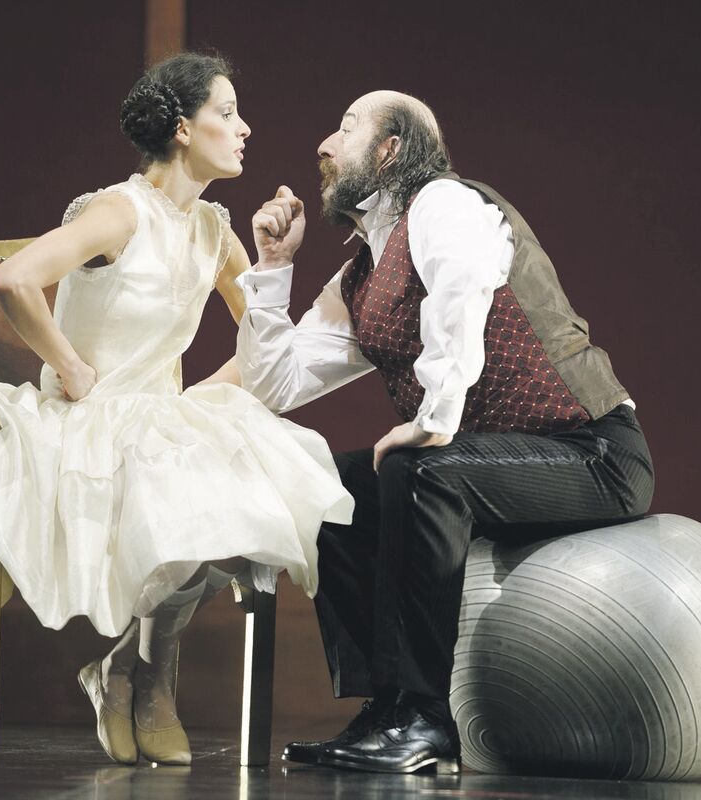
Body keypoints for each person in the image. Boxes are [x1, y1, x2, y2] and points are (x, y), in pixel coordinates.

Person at [0, 53, 353, 767]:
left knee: (252, 496)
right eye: (226, 112)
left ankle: (132, 667)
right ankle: (147, 677)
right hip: (87, 421)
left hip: (156, 418)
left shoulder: (213, 229)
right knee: (201, 489)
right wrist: (71, 368)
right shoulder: (119, 211)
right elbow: (15, 280)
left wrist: (271, 265)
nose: (245, 128)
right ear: (183, 128)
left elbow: (268, 348)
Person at [236, 90, 655, 774]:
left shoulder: (444, 204)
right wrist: (272, 268)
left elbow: (460, 292)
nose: (324, 145)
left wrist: (433, 420)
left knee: (419, 470)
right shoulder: (361, 274)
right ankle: (386, 710)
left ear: (390, 150)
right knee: (324, 487)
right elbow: (275, 385)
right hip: (491, 467)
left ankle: (425, 721)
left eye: (346, 128)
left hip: (594, 454)